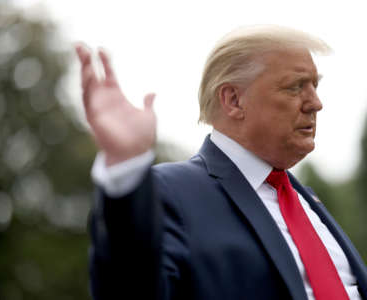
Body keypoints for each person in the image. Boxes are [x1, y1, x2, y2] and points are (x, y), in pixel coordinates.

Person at [76, 25, 367, 300]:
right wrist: (127, 166)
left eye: (315, 86)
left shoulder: (306, 200)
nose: (316, 102)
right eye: (296, 87)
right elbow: (130, 289)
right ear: (233, 100)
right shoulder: (170, 192)